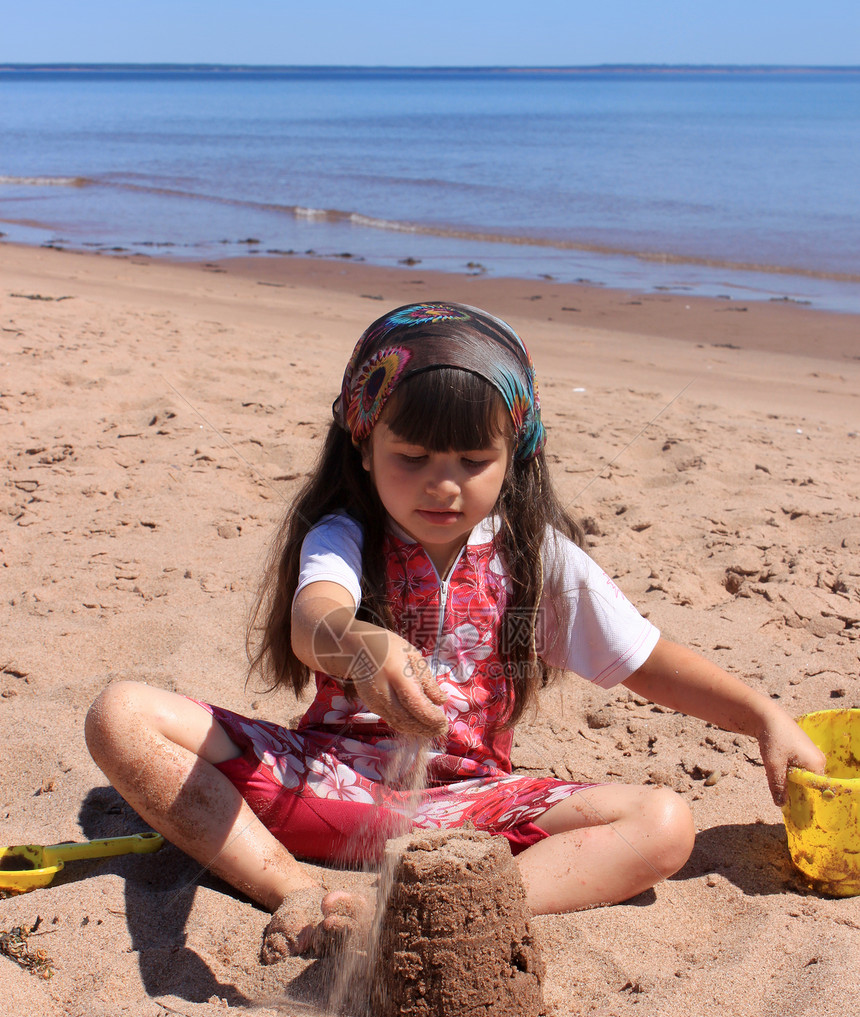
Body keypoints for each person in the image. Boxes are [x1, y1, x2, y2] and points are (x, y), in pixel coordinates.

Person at [85, 301, 825, 960]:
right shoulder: (347, 537)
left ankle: (419, 903)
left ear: (515, 457)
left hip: (462, 813)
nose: (443, 485)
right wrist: (366, 648)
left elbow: (646, 661)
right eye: (411, 458)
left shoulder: (534, 559)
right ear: (364, 446)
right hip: (320, 783)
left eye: (474, 461)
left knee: (663, 821)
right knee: (121, 714)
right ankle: (288, 889)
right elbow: (316, 621)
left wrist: (762, 716)